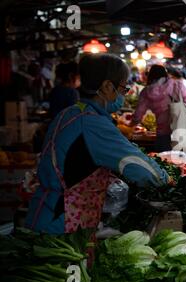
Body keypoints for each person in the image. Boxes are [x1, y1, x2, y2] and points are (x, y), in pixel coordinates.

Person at [26, 54, 169, 234]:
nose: (123, 96)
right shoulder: (93, 124)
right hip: (60, 223)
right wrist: (166, 179)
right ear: (107, 87)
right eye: (123, 89)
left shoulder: (70, 113)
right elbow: (144, 172)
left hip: (44, 211)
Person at [131, 64, 186, 152]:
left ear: (150, 75)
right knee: (182, 162)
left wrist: (130, 123)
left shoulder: (146, 92)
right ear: (165, 74)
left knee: (164, 161)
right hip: (182, 131)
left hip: (163, 134)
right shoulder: (177, 85)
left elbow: (138, 116)